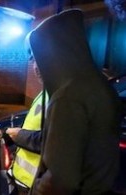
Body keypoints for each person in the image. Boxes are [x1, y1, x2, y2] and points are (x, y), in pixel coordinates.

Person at [27, 9, 122, 194]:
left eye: (37, 57)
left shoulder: (68, 97)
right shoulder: (101, 85)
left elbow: (60, 180)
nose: (36, 66)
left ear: (53, 55)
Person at [4, 55, 48, 195]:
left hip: (36, 185)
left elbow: (54, 142)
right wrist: (3, 132)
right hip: (22, 180)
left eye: (41, 59)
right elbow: (32, 128)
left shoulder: (63, 99)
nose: (36, 67)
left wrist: (19, 135)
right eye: (34, 60)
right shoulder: (45, 93)